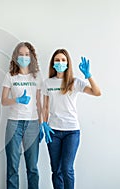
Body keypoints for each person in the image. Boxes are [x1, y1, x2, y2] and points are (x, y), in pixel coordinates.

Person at [42, 49, 101, 189]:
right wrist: (43, 124)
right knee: (56, 169)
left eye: (63, 60)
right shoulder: (47, 83)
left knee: (67, 168)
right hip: (53, 131)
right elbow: (45, 107)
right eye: (57, 60)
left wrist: (89, 76)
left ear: (68, 63)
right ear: (53, 63)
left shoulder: (74, 82)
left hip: (71, 131)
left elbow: (97, 92)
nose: (60, 62)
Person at [1, 42, 43, 189]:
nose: (24, 57)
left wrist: (42, 124)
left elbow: (39, 103)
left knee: (32, 167)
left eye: (27, 54)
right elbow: (3, 101)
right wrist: (17, 100)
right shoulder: (10, 76)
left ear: (31, 57)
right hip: (14, 123)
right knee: (12, 166)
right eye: (21, 54)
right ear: (16, 57)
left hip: (33, 124)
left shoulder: (36, 77)